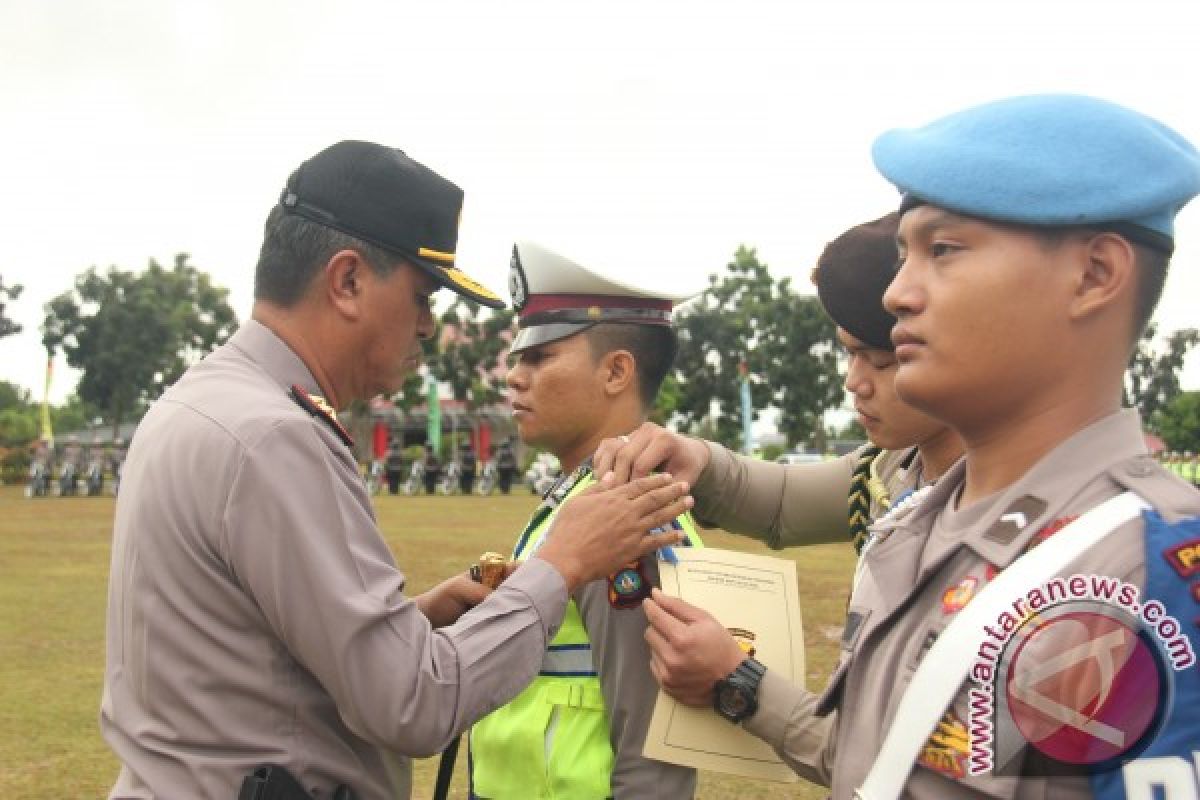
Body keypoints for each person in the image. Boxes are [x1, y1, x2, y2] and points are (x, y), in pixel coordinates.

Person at [643, 95, 1200, 799]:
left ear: (1094, 275)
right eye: (905, 254)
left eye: (943, 250)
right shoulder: (917, 519)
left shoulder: (1154, 570)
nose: (900, 293)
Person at [100, 140, 692, 800]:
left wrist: (418, 618)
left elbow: (252, 659)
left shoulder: (200, 403)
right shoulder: (275, 436)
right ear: (348, 281)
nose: (429, 329)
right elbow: (413, 705)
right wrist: (563, 565)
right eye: (420, 296)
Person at [468, 241, 700, 799]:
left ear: (617, 371)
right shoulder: (577, 496)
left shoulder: (627, 513)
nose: (514, 377)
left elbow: (655, 751)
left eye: (539, 357)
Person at [594, 212, 963, 556]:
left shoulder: (1003, 504)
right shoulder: (891, 468)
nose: (854, 383)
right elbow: (784, 502)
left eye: (881, 362)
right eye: (848, 355)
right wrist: (699, 460)